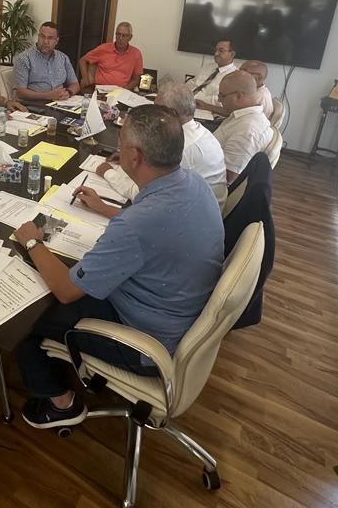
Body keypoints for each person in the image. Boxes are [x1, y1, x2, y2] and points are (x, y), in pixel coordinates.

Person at [12, 105, 224, 428]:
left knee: (23, 320)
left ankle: (60, 403)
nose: (117, 149)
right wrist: (105, 209)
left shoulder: (137, 225)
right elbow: (158, 230)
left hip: (145, 344)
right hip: (175, 311)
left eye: (120, 143)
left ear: (135, 157)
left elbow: (67, 291)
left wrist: (32, 242)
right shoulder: (193, 183)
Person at [96, 83, 228, 203]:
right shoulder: (198, 130)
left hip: (190, 213)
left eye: (156, 109)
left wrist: (108, 173)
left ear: (171, 114)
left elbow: (146, 195)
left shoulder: (180, 147)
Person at [213, 71, 274, 183]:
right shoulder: (242, 117)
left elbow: (227, 177)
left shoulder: (248, 131)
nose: (219, 100)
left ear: (239, 96)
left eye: (222, 96)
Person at [12, 22, 80, 101]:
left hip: (59, 103)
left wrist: (68, 92)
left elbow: (75, 84)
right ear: (38, 37)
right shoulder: (24, 58)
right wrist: (48, 95)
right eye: (42, 36)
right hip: (33, 104)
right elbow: (20, 92)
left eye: (50, 38)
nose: (45, 42)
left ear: (56, 41)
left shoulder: (63, 58)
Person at [78, 22, 144, 89]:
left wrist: (124, 90)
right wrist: (85, 79)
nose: (120, 38)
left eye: (124, 35)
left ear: (130, 37)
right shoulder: (104, 48)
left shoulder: (136, 54)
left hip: (121, 90)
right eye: (118, 34)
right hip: (101, 89)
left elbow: (136, 80)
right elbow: (82, 60)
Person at [192, 40, 239, 114]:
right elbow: (192, 84)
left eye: (221, 51)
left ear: (232, 54)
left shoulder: (236, 75)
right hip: (191, 104)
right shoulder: (207, 67)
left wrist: (193, 97)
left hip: (211, 112)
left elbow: (221, 101)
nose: (216, 53)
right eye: (215, 50)